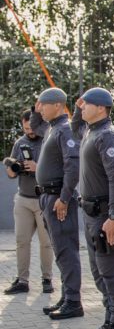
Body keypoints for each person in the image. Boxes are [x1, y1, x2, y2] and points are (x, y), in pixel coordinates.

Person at [71, 88, 114, 329]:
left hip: (104, 214)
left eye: (87, 104)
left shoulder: (107, 136)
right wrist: (76, 108)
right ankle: (109, 319)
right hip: (90, 213)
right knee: (98, 270)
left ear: (101, 108)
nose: (82, 107)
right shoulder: (89, 131)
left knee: (111, 269)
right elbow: (75, 125)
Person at [33, 88, 83, 320]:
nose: (40, 108)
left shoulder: (65, 128)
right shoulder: (52, 128)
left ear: (57, 105)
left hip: (58, 198)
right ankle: (67, 295)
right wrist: (36, 110)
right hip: (48, 197)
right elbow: (35, 126)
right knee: (59, 249)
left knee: (66, 250)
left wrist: (64, 198)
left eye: (43, 104)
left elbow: (72, 167)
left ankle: (73, 301)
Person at [3, 109, 53, 295]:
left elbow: (56, 169)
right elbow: (11, 173)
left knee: (46, 242)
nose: (29, 132)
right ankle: (22, 280)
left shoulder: (48, 140)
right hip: (23, 199)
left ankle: (47, 279)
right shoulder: (20, 142)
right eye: (25, 129)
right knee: (21, 241)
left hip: (42, 200)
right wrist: (13, 168)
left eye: (31, 128)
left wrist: (36, 167)